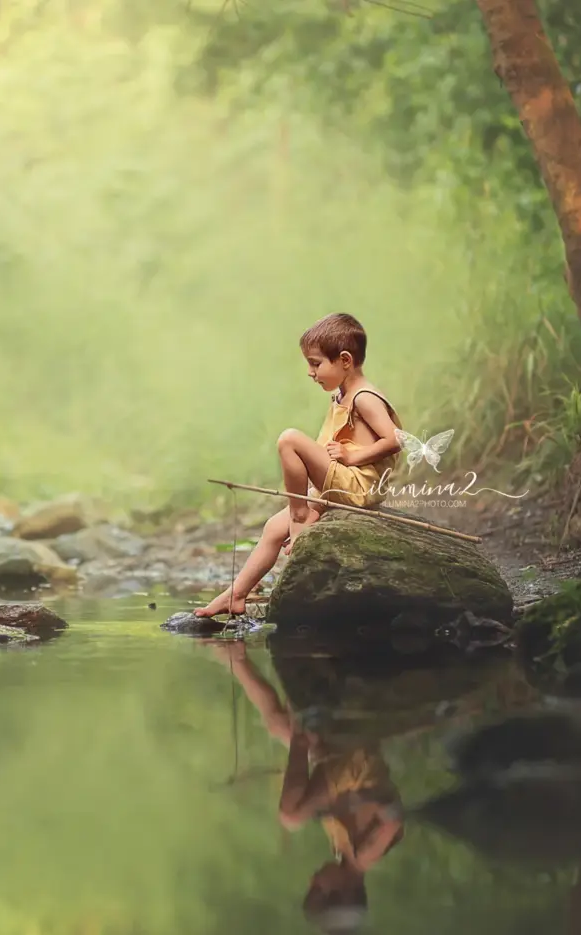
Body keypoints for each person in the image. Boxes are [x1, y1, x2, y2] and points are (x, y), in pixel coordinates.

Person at [196, 313, 404, 618]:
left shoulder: (364, 398)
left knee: (289, 439)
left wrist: (352, 458)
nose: (310, 372)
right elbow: (326, 450)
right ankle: (235, 596)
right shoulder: (342, 395)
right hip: (338, 483)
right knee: (272, 528)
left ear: (345, 360)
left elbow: (396, 439)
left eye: (316, 364)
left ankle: (300, 515)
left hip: (358, 485)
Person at [205, 640, 404, 933]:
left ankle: (234, 657)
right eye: (317, 889)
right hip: (356, 768)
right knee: (291, 816)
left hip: (337, 767)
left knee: (276, 724)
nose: (312, 880)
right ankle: (302, 730)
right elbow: (394, 818)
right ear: (345, 892)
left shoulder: (341, 851)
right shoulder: (364, 856)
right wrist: (360, 797)